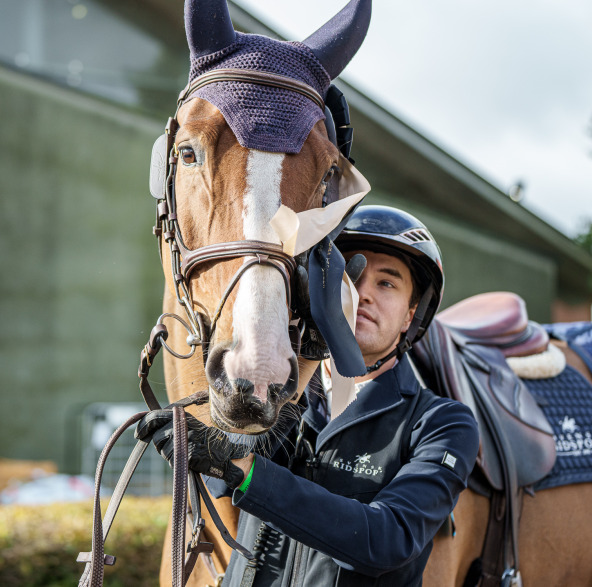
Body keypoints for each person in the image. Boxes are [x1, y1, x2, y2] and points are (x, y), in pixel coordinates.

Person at [137, 205, 480, 586]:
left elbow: (389, 540)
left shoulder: (443, 423)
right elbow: (222, 472)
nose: (363, 293)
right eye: (350, 275)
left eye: (386, 283)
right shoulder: (286, 396)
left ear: (409, 315)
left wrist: (245, 471)